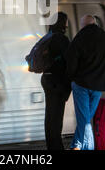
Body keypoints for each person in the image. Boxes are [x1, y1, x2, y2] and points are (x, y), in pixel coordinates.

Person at [65, 14, 105, 150]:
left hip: (81, 85)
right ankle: (76, 145)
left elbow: (70, 64)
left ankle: (88, 147)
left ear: (83, 25)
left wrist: (72, 78)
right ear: (95, 23)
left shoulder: (78, 39)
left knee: (85, 121)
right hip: (98, 86)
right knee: (86, 118)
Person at [41, 11, 72, 150]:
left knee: (50, 115)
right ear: (62, 23)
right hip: (57, 82)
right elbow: (69, 62)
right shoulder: (62, 39)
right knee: (56, 117)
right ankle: (56, 147)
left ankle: (52, 146)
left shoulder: (47, 37)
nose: (67, 24)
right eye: (65, 21)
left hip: (46, 79)